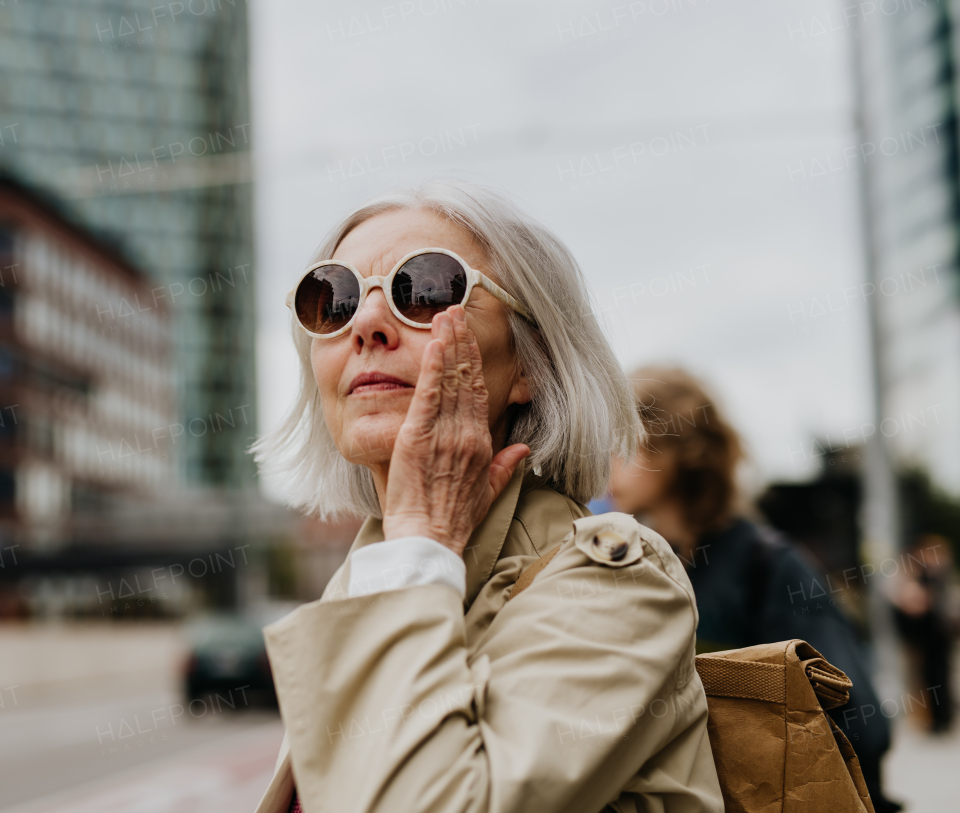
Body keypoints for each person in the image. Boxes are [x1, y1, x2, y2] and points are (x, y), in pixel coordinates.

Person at [251, 181, 723, 813]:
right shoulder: (364, 580)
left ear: (530, 364)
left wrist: (420, 536)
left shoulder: (618, 581)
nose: (364, 324)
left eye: (425, 290)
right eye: (331, 300)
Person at [608, 366, 898, 813]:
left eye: (622, 440)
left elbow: (863, 723)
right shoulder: (639, 565)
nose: (607, 459)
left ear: (679, 451)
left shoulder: (767, 564)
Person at [891, 534, 956, 733]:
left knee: (937, 678)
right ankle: (933, 718)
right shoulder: (913, 575)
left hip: (935, 637)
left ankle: (940, 719)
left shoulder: (934, 578)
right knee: (927, 678)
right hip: (923, 638)